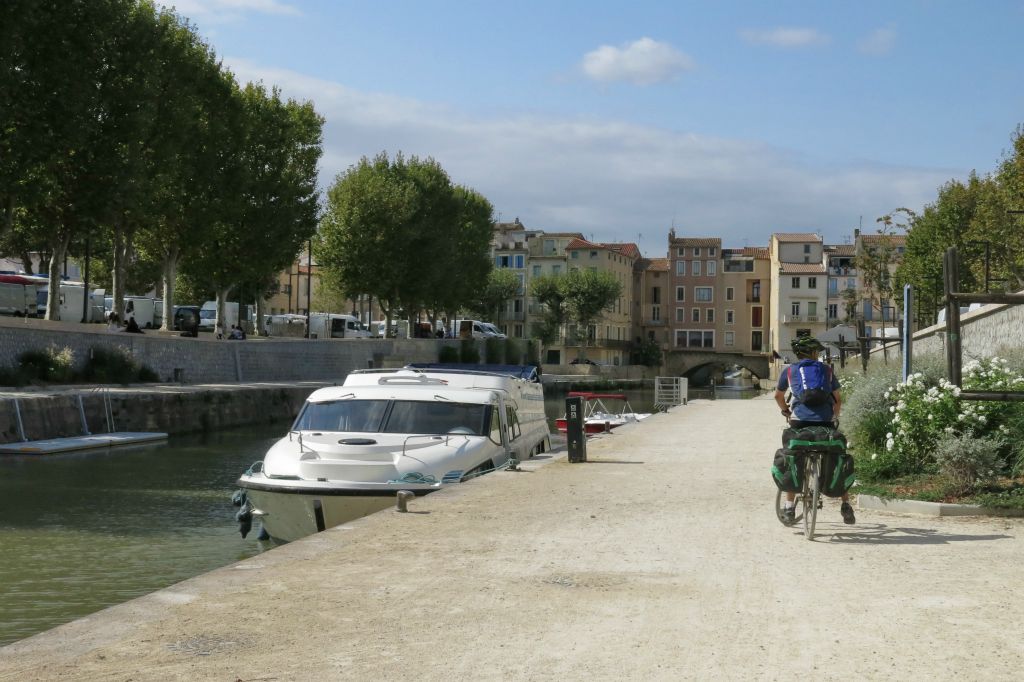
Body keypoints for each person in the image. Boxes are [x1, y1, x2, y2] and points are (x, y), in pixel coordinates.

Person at [774, 336, 855, 525]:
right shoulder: (826, 370)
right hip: (825, 422)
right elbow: (838, 399)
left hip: (799, 422)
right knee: (835, 456)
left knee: (795, 457)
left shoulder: (790, 370)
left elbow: (778, 396)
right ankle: (846, 505)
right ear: (813, 353)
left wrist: (786, 410)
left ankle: (789, 508)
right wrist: (834, 418)